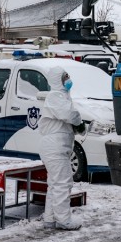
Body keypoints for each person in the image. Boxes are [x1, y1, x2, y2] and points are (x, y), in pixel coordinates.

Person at [38, 66, 85, 230]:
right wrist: (79, 121)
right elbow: (69, 115)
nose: (68, 79)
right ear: (57, 79)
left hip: (57, 146)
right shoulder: (56, 96)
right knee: (63, 183)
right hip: (54, 147)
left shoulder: (62, 96)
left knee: (55, 183)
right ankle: (64, 220)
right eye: (65, 76)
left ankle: (50, 219)